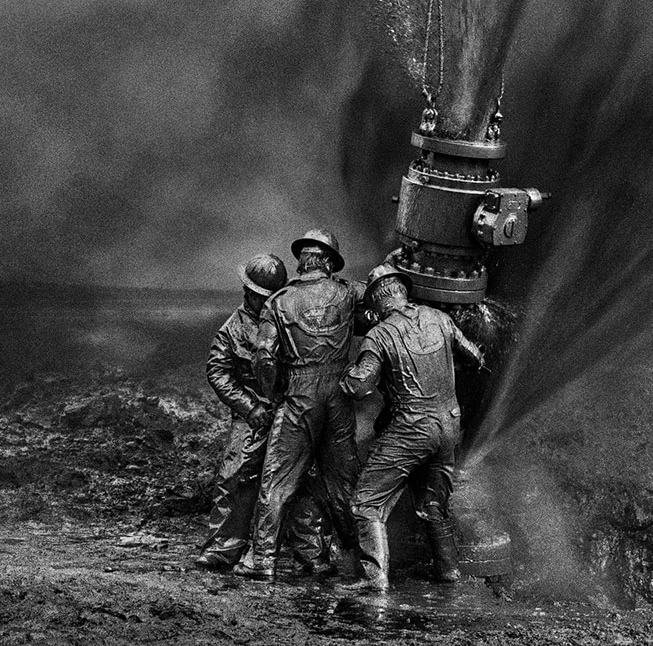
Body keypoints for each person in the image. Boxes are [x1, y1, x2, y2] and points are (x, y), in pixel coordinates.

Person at [340, 264, 485, 591]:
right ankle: (449, 572)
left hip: (412, 428)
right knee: (432, 505)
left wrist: (344, 374)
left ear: (377, 303)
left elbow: (360, 385)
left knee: (366, 502)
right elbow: (474, 355)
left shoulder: (380, 334)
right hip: (448, 425)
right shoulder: (439, 318)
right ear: (403, 292)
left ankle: (374, 579)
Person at [233, 229, 366, 580]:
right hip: (339, 395)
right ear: (330, 264)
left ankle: (263, 560)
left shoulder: (279, 301)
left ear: (301, 262)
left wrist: (276, 392)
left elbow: (264, 357)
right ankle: (359, 560)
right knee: (343, 482)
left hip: (299, 395)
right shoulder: (348, 293)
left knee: (277, 480)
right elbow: (378, 303)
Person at [195, 254, 329, 573]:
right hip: (253, 415)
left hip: (290, 410)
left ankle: (311, 552)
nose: (260, 300)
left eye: (266, 295)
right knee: (235, 476)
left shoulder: (289, 317)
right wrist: (249, 406)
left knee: (303, 479)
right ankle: (224, 548)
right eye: (256, 294)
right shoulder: (232, 329)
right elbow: (218, 372)